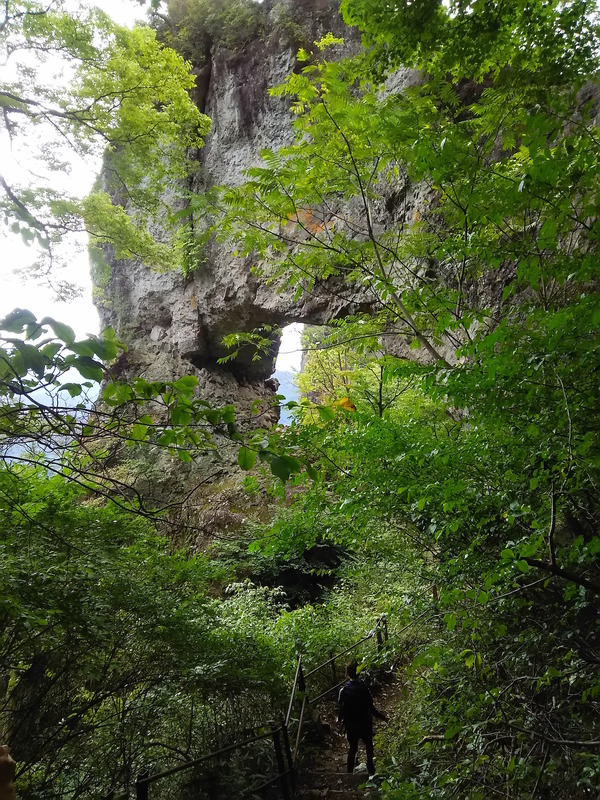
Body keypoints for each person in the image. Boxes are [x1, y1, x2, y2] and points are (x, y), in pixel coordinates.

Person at [337, 661, 388, 775]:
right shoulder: (365, 689)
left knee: (353, 748)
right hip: (365, 723)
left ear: (347, 674)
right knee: (369, 746)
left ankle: (349, 774)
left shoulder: (343, 691)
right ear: (359, 672)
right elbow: (372, 709)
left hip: (351, 725)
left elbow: (341, 708)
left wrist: (340, 720)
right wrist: (384, 718)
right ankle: (371, 769)